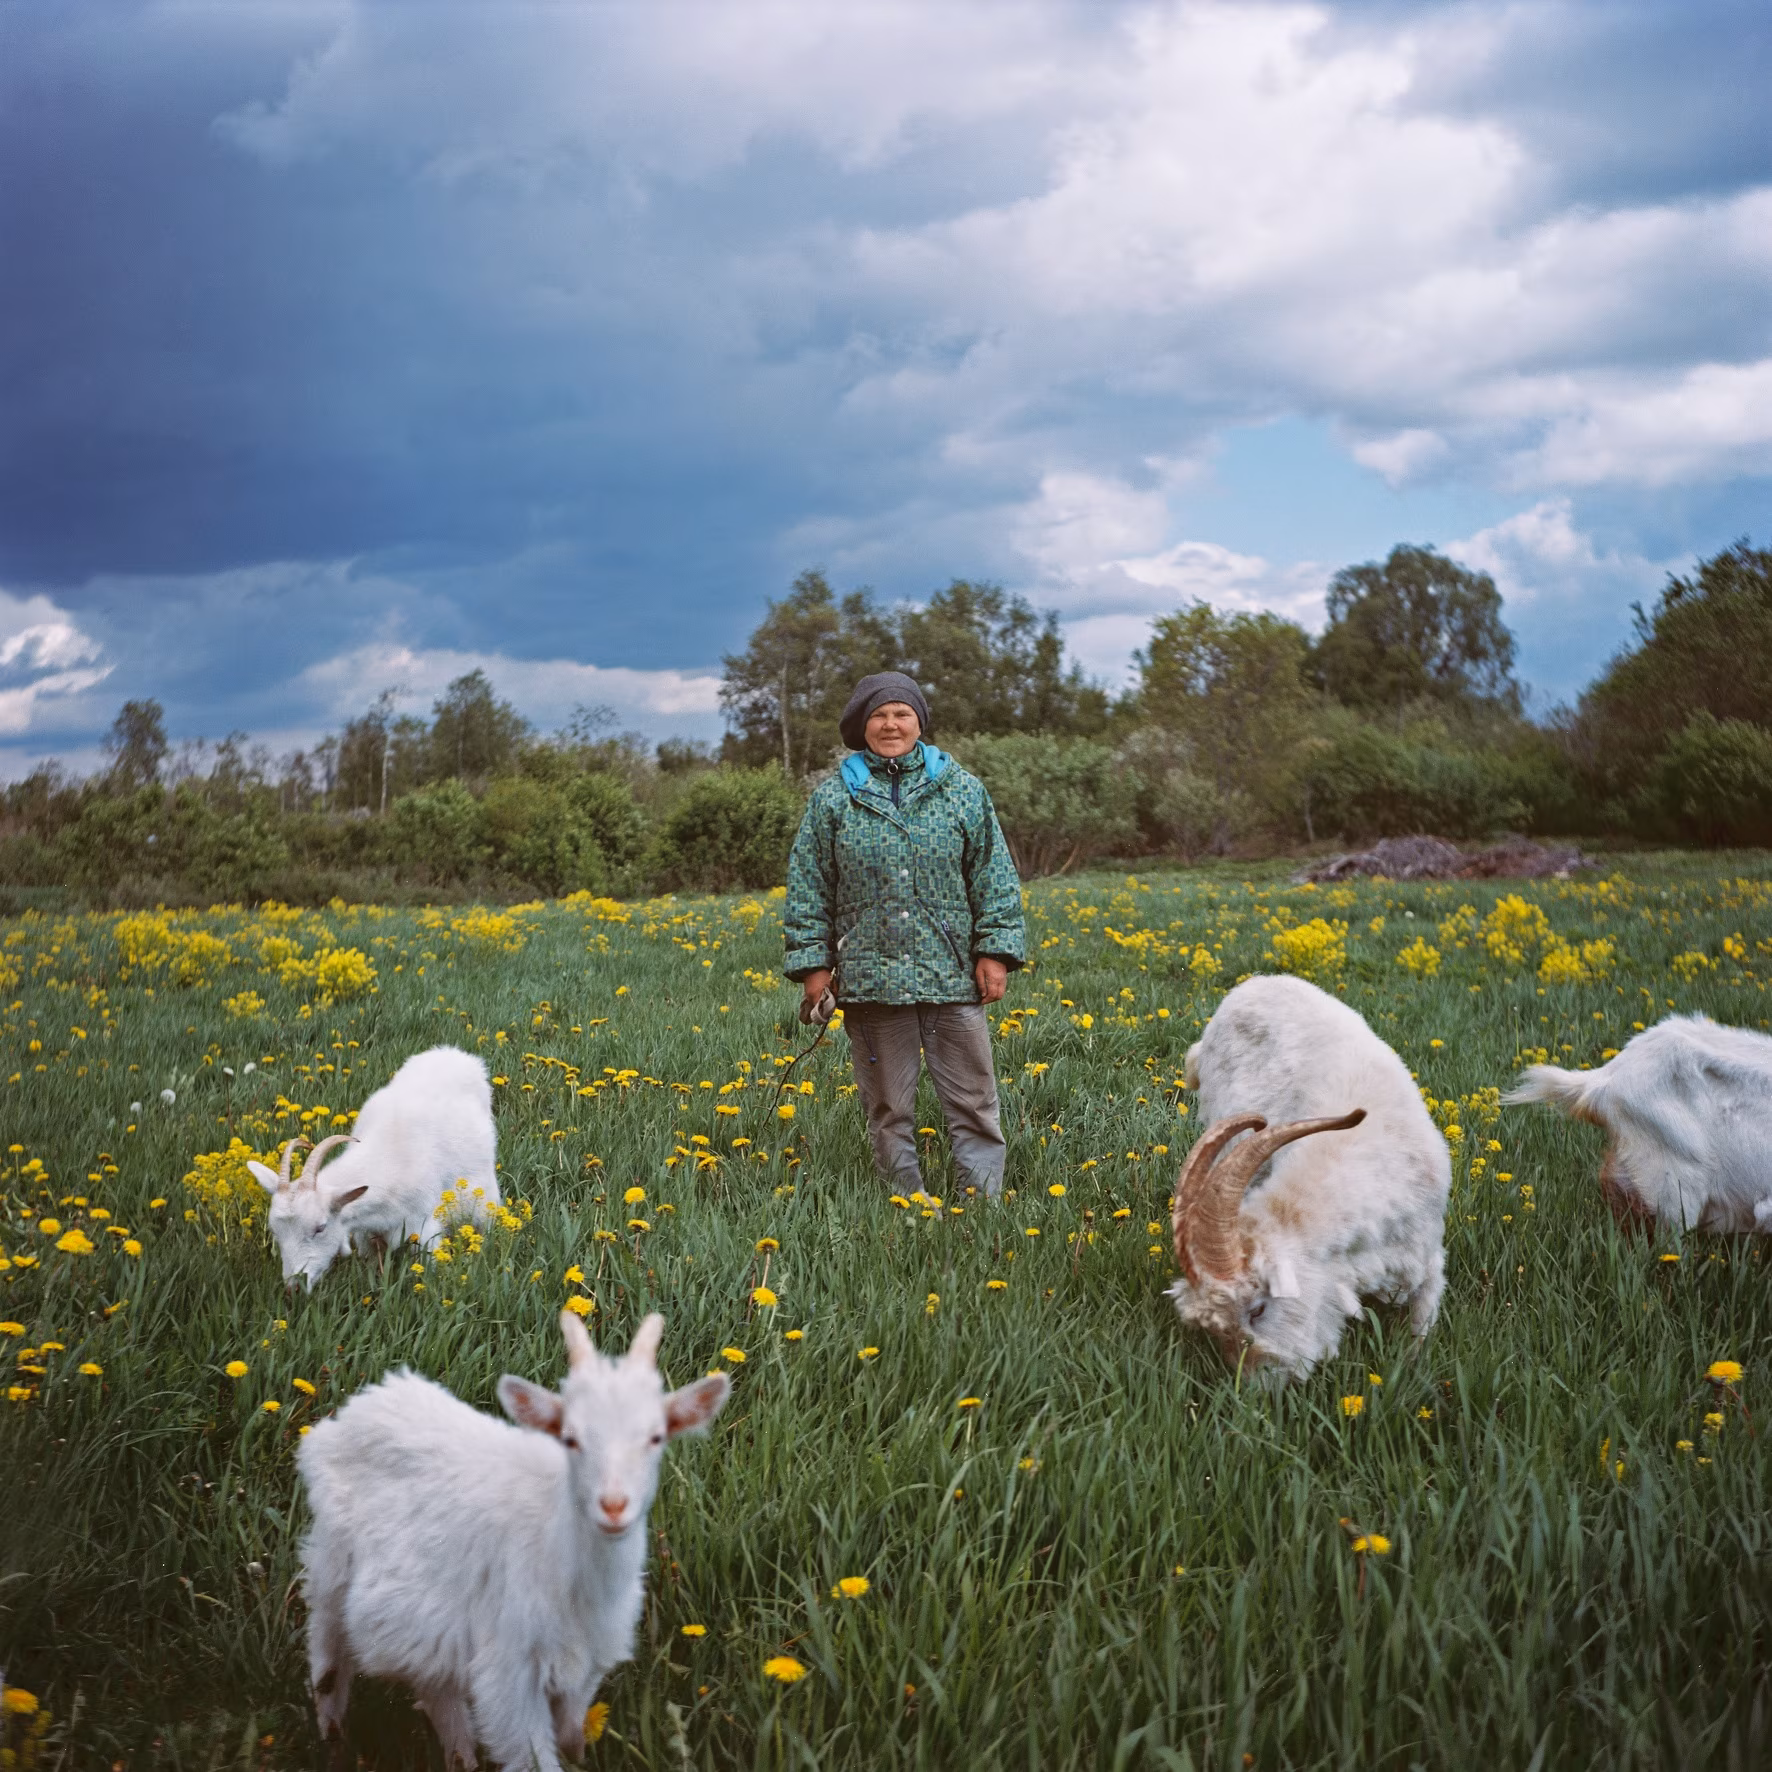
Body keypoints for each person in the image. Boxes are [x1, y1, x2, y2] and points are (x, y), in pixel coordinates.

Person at [783, 671, 1026, 1197]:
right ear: (861, 725)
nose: (890, 724)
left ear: (919, 722)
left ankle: (981, 1206)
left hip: (952, 973)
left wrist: (996, 951)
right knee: (888, 1106)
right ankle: (907, 1206)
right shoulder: (832, 800)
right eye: (879, 715)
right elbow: (808, 885)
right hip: (870, 978)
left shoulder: (962, 790)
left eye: (901, 713)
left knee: (974, 1102)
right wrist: (814, 966)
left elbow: (994, 875)